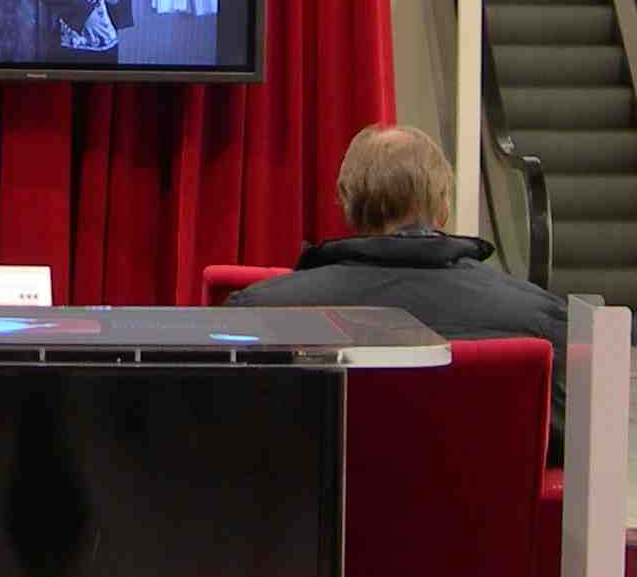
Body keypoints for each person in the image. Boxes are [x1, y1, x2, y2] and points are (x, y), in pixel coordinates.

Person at [233, 125, 572, 447]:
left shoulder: (261, 311)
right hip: (483, 491)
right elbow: (569, 445)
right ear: (444, 203)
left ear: (347, 203)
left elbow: (237, 435)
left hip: (331, 491)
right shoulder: (540, 317)